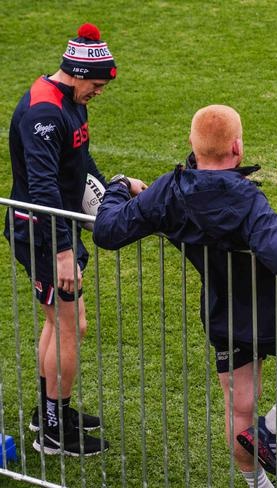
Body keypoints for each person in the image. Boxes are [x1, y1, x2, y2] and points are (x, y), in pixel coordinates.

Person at [93, 105, 277, 487]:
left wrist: (118, 185)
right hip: (276, 314)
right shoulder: (246, 200)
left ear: (192, 145)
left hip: (222, 317)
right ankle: (271, 428)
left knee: (239, 409)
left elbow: (107, 231)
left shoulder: (170, 189)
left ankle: (258, 484)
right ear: (237, 146)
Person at [4, 23, 146, 456]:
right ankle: (52, 433)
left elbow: (80, 160)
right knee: (69, 327)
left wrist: (115, 191)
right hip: (43, 233)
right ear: (79, 72)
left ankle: (50, 412)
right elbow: (45, 188)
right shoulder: (45, 113)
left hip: (51, 230)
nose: (98, 93)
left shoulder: (68, 102)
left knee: (59, 324)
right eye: (97, 85)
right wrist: (64, 252)